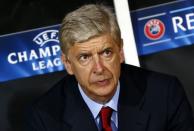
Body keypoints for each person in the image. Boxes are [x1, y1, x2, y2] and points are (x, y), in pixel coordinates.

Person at [24, 4, 194, 131]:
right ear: (68, 64)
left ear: (120, 51)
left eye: (106, 53)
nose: (99, 68)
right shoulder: (45, 118)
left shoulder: (164, 94)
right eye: (85, 57)